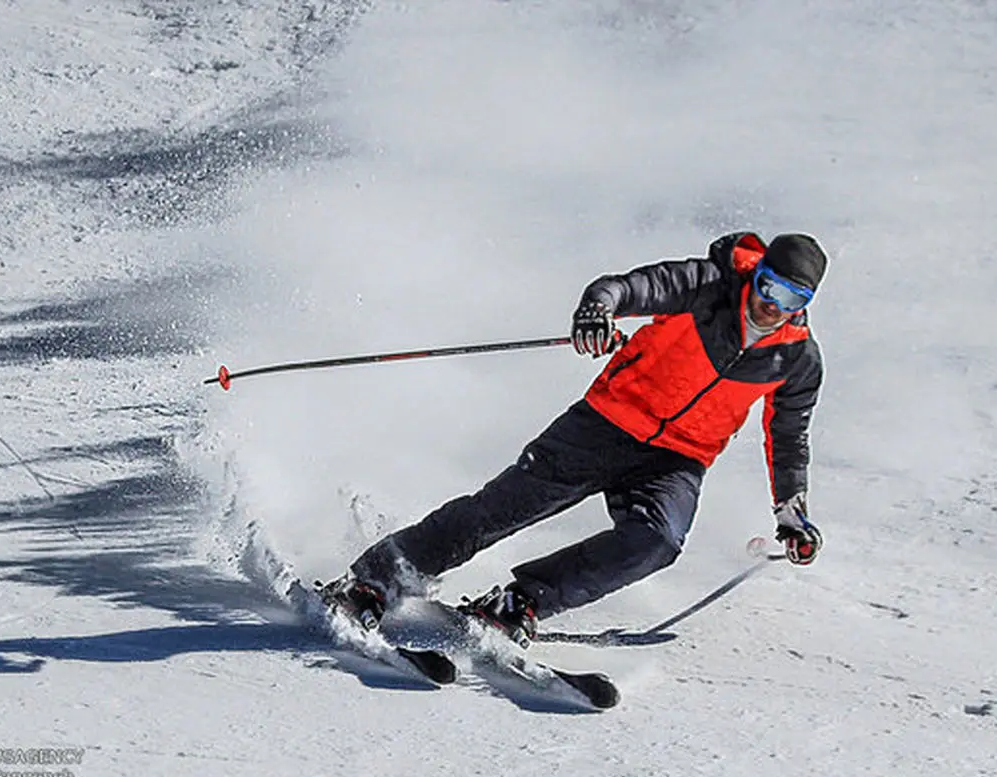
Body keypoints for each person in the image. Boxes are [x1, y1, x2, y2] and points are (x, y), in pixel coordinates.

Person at [324, 231, 827, 647]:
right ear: (755, 272)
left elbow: (788, 435)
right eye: (768, 286)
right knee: (502, 509)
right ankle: (375, 578)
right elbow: (627, 288)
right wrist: (597, 310)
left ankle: (521, 602)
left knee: (657, 542)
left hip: (678, 458)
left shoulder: (796, 359)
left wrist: (790, 509)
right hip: (606, 423)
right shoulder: (708, 285)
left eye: (791, 299)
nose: (770, 305)